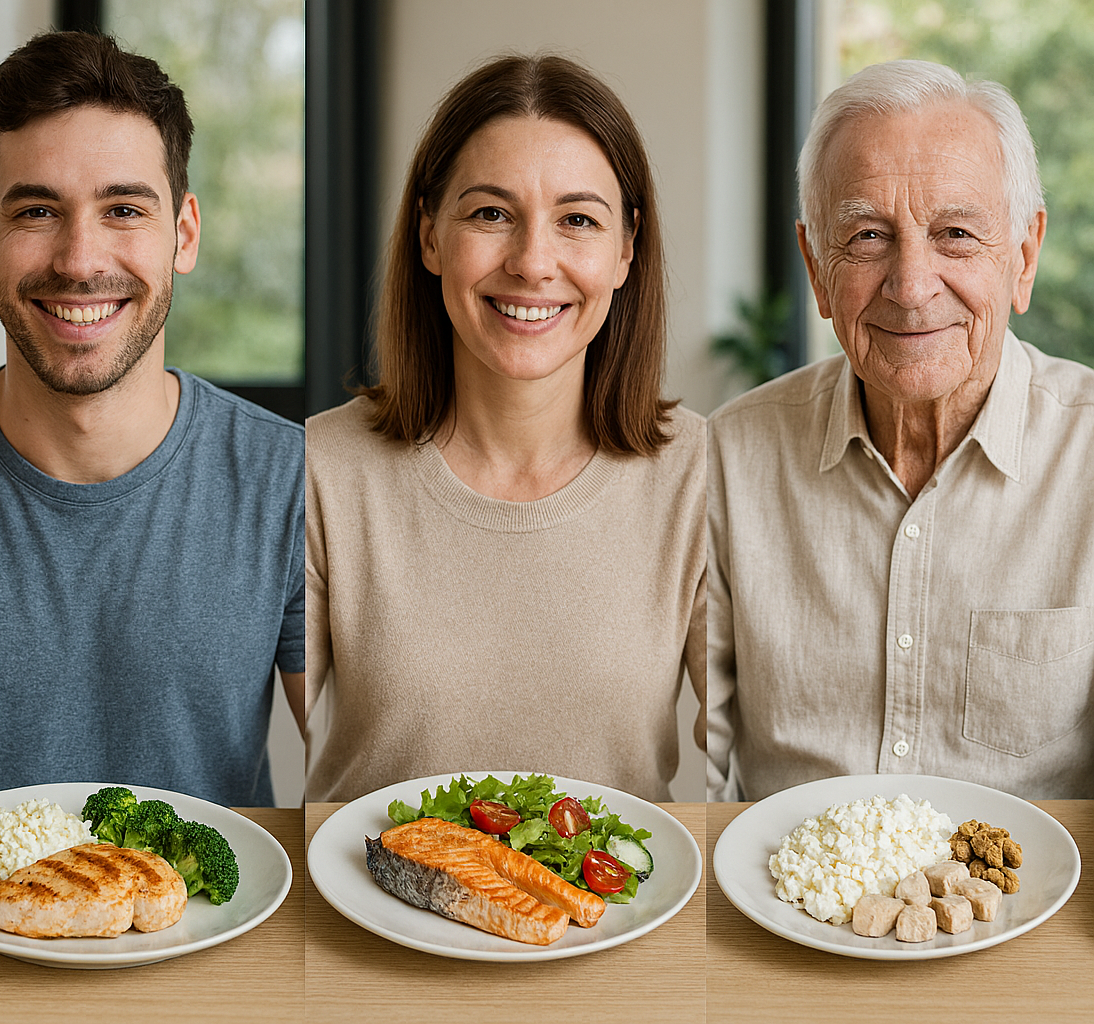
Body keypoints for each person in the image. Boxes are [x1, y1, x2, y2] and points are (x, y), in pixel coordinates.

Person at [0, 32, 305, 807]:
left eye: (124, 210)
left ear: (184, 234)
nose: (80, 260)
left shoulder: (292, 482)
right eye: (38, 210)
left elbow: (361, 783)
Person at [305, 55, 707, 803]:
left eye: (578, 221)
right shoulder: (319, 469)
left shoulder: (702, 475)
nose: (532, 263)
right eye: (491, 214)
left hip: (614, 885)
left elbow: (755, 767)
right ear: (430, 236)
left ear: (626, 249)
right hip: (365, 880)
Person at [707, 60, 1094, 801]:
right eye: (867, 236)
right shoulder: (727, 458)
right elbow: (691, 776)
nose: (912, 287)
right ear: (816, 268)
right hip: (778, 875)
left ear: (1024, 257)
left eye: (956, 234)